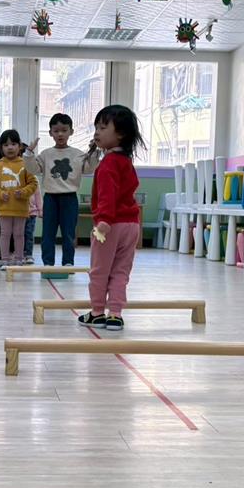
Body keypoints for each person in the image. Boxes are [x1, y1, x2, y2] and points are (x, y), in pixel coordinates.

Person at [78, 105, 144, 332]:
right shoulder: (126, 161)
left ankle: (97, 312)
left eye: (103, 127)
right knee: (121, 271)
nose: (97, 132)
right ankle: (115, 314)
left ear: (121, 134)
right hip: (132, 225)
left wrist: (104, 220)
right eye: (96, 127)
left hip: (109, 225)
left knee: (99, 270)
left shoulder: (108, 163)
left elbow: (108, 194)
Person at [24, 112, 99, 268]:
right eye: (56, 131)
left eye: (64, 130)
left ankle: (68, 262)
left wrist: (93, 152)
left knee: (69, 233)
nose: (60, 134)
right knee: (48, 233)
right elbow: (33, 169)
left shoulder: (78, 154)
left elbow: (89, 169)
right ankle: (48, 263)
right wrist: (29, 153)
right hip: (50, 198)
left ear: (71, 131)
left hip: (70, 198)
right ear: (50, 132)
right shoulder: (46, 154)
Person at [0, 130, 37, 268]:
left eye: (13, 144)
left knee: (19, 234)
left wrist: (24, 192)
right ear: (1, 148)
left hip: (21, 208)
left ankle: (19, 259)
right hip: (4, 208)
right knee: (5, 234)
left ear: (20, 146)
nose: (10, 147)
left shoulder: (25, 164)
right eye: (6, 145)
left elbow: (33, 183)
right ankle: (5, 260)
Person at [23, 187, 42, 265]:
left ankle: (29, 255)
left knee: (29, 233)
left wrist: (40, 210)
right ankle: (20, 254)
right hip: (19, 213)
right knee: (19, 234)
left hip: (31, 213)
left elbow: (38, 196)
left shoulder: (34, 182)